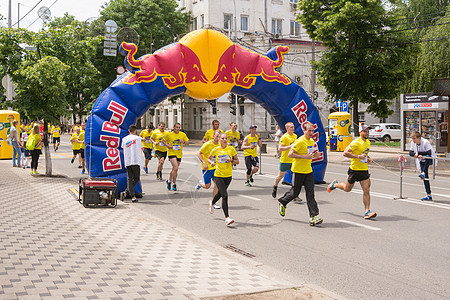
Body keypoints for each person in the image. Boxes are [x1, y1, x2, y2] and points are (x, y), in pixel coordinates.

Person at [327, 124, 377, 219]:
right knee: (347, 189)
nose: (367, 133)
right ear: (360, 132)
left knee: (366, 190)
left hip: (364, 170)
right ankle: (335, 185)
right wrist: (358, 157)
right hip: (354, 170)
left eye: (368, 131)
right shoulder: (356, 142)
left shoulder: (368, 142)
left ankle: (367, 211)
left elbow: (365, 154)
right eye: (365, 131)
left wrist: (368, 158)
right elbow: (345, 153)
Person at [278, 122, 323, 226]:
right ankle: (283, 202)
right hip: (298, 171)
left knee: (310, 194)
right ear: (304, 130)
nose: (311, 133)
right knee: (295, 193)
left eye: (312, 131)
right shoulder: (299, 141)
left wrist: (316, 154)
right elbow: (290, 154)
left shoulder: (312, 141)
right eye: (309, 131)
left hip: (308, 171)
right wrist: (304, 157)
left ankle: (313, 217)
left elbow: (313, 153)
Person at [207, 133, 239, 226]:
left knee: (220, 193)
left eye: (226, 138)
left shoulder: (231, 149)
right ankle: (227, 218)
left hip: (228, 176)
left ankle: (212, 202)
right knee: (224, 195)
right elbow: (208, 159)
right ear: (219, 139)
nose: (224, 140)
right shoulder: (215, 149)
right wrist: (212, 162)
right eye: (223, 138)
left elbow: (237, 161)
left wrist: (231, 160)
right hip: (218, 175)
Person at [195, 130, 221, 210]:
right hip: (207, 168)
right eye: (217, 136)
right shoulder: (207, 144)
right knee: (207, 186)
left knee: (216, 185)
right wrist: (204, 162)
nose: (218, 138)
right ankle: (200, 184)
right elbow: (198, 153)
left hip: (216, 168)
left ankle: (213, 202)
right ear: (213, 136)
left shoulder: (220, 145)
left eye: (219, 137)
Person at [272, 122, 297, 198]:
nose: (293, 128)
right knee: (280, 176)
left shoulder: (295, 136)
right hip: (285, 160)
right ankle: (275, 187)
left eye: (293, 127)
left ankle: (295, 194)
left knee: (295, 177)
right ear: (287, 128)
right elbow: (280, 149)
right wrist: (290, 146)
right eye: (291, 127)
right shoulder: (284, 137)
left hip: (293, 160)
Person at [409, 131, 436, 201]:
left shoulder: (425, 142)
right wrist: (415, 154)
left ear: (419, 138)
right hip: (421, 160)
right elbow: (410, 152)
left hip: (429, 159)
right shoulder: (413, 143)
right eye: (412, 139)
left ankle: (423, 172)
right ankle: (428, 195)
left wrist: (420, 153)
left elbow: (429, 152)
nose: (413, 140)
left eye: (414, 139)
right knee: (425, 178)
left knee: (427, 157)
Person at [121, 125, 145, 203]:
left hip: (128, 161)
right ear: (135, 131)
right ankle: (130, 194)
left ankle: (129, 194)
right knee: (137, 178)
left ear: (129, 130)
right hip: (135, 161)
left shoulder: (124, 139)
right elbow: (141, 149)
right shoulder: (138, 139)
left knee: (129, 178)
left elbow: (124, 151)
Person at [165, 123, 189, 191]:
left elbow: (187, 143)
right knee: (175, 168)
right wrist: (167, 145)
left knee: (174, 169)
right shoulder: (169, 134)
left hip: (179, 154)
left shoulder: (182, 134)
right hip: (171, 153)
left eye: (179, 127)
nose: (178, 129)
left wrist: (183, 141)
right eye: (176, 127)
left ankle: (169, 181)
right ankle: (174, 184)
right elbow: (163, 140)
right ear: (174, 127)